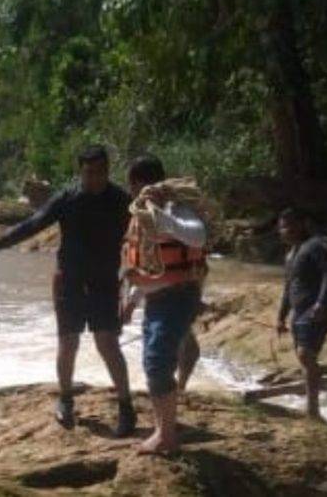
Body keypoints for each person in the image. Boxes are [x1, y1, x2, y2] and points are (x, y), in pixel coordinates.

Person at [0, 145, 136, 437]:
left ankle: (126, 406)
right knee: (68, 343)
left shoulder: (122, 201)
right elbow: (32, 225)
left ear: (108, 170)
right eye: (90, 173)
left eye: (101, 172)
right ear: (80, 172)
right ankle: (66, 398)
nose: (96, 178)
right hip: (69, 279)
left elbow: (145, 231)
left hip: (104, 282)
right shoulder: (68, 199)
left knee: (107, 343)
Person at [121, 155, 208, 455]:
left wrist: (162, 217)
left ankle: (166, 436)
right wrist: (132, 300)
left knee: (158, 364)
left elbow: (197, 237)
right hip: (156, 299)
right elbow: (149, 262)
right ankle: (163, 430)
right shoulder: (141, 214)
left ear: (141, 183)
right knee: (152, 363)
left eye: (133, 184)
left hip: (176, 297)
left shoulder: (174, 207)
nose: (133, 191)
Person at [275, 207, 327, 420]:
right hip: (300, 312)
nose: (284, 231)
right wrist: (280, 316)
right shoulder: (290, 254)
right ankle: (314, 400)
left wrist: (321, 302)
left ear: (302, 224)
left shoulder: (316, 246)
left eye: (288, 226)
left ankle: (313, 410)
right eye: (282, 227)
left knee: (305, 354)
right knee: (305, 357)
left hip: (318, 310)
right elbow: (288, 287)